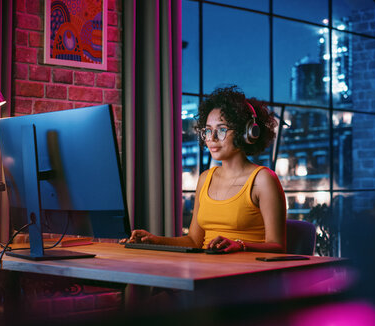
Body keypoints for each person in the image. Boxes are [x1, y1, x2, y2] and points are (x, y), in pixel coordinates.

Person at [122, 85, 286, 253]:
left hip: (248, 272)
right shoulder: (205, 178)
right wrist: (155, 240)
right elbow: (193, 240)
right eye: (208, 131)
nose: (212, 138)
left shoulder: (263, 179)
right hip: (207, 270)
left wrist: (239, 245)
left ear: (246, 132)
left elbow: (278, 247)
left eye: (221, 130)